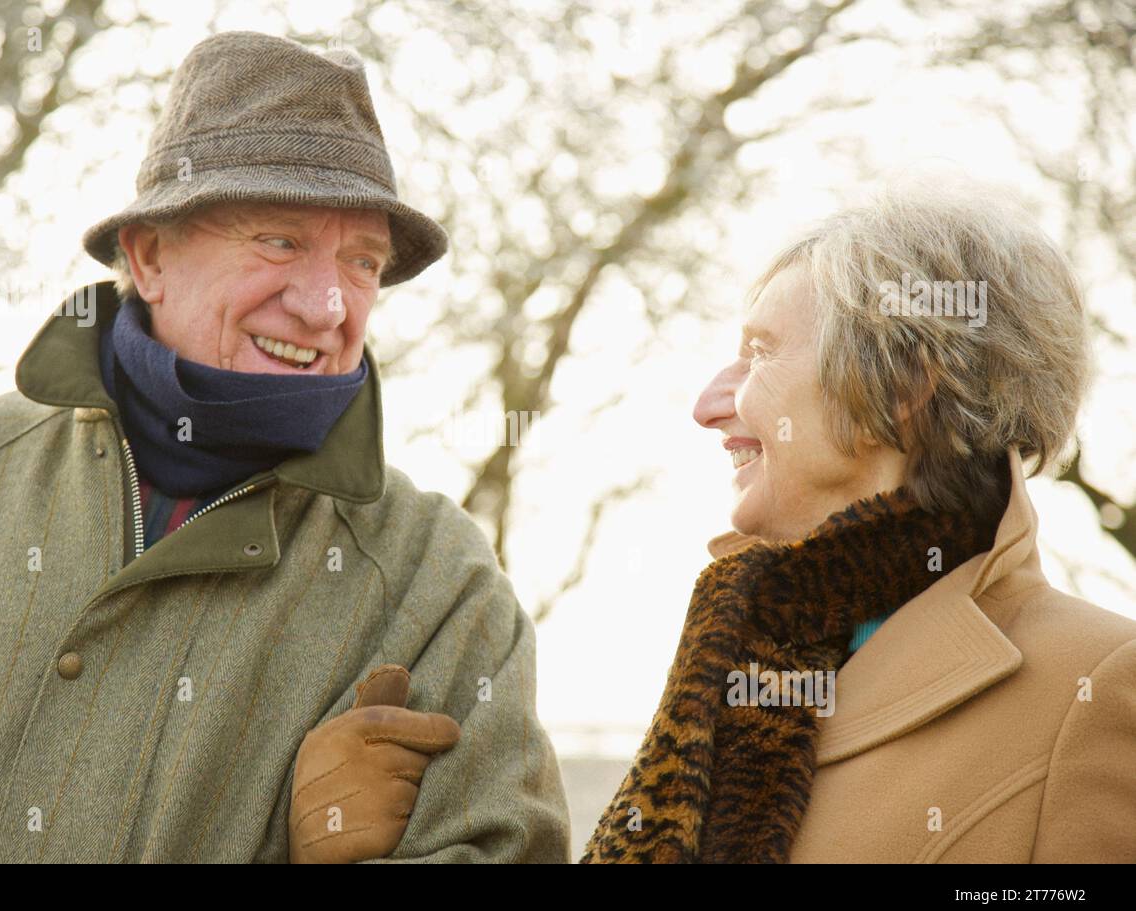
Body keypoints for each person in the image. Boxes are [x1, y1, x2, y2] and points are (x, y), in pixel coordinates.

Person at [0, 32, 570, 864]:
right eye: (280, 241)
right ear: (149, 256)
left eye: (361, 261)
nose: (326, 304)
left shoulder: (437, 586)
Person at [302, 179, 1136, 863]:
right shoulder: (738, 644)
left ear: (905, 386)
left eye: (761, 352)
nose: (710, 403)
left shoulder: (1099, 685)